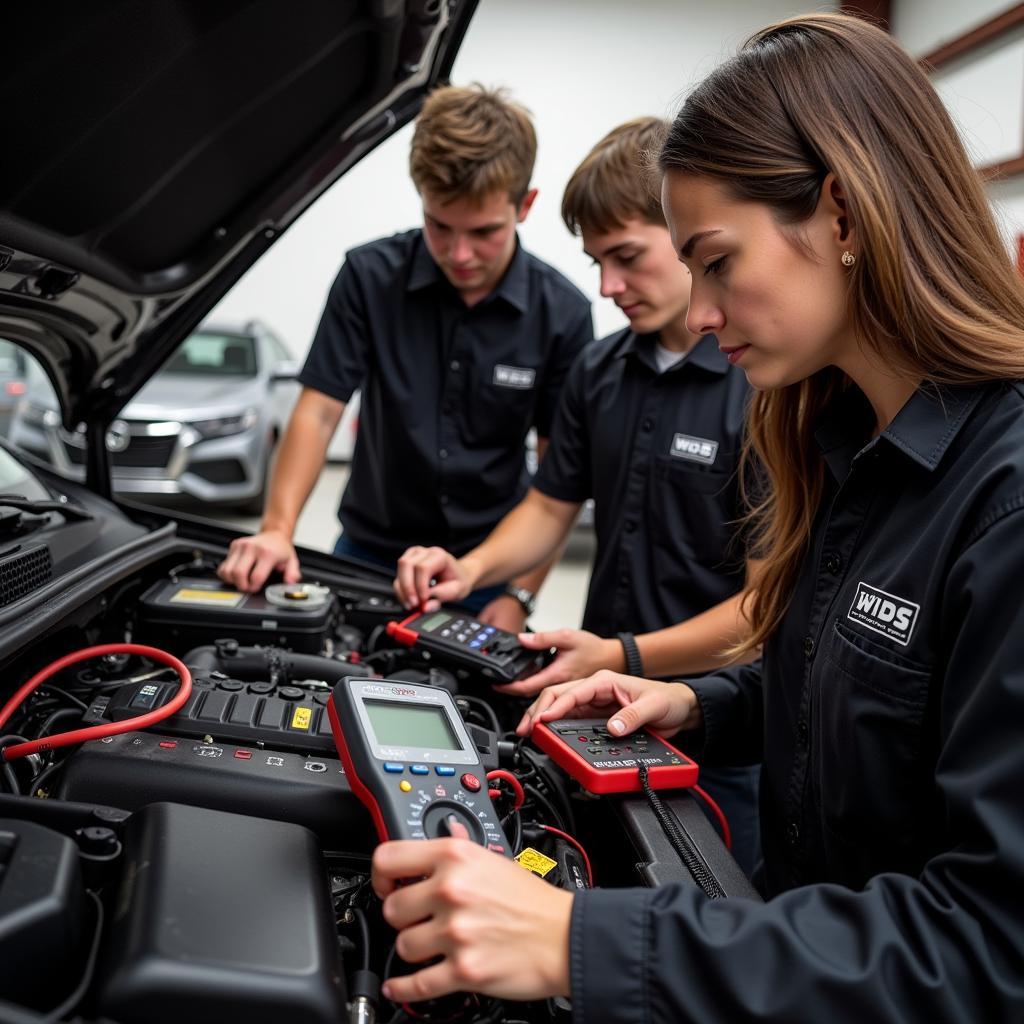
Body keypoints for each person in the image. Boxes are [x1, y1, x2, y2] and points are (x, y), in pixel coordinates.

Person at [370, 15, 1024, 1020]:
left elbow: (988, 949)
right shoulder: (843, 438)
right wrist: (701, 703)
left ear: (842, 216)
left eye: (714, 261)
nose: (701, 311)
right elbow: (869, 691)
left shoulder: (1004, 500)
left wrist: (576, 939)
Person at [394, 116, 762, 872]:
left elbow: (765, 611)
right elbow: (548, 507)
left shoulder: (763, 387)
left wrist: (628, 653)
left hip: (721, 737)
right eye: (597, 263)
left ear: (688, 233)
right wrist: (473, 569)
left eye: (627, 258)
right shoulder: (599, 373)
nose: (608, 287)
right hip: (598, 713)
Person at [218, 85, 592, 630]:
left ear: (525, 205)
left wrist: (521, 596)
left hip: (488, 568)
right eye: (440, 226)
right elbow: (319, 411)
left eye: (484, 232)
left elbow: (557, 481)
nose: (459, 255)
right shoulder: (367, 278)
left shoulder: (563, 313)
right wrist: (277, 528)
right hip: (368, 556)